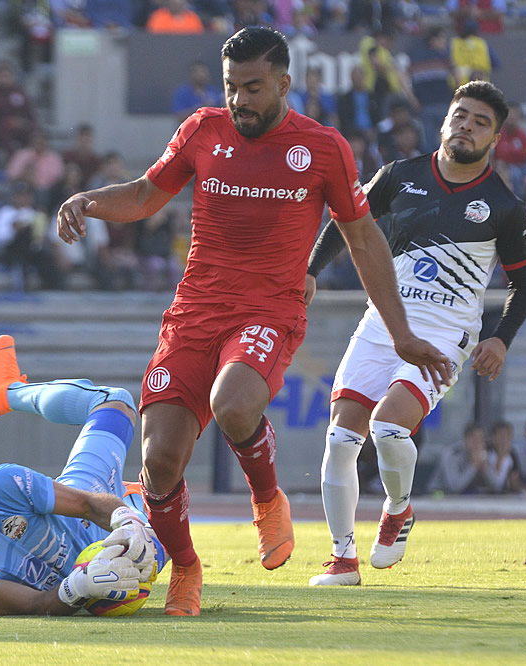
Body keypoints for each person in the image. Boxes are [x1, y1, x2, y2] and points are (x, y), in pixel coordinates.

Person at [55, 27, 450, 615]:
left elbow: (364, 242)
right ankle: (185, 569)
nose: (240, 99)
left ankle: (268, 499)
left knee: (233, 404)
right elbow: (143, 195)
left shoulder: (322, 149)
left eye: (254, 87)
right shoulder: (201, 130)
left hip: (270, 309)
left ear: (284, 84)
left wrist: (401, 335)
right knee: (159, 460)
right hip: (193, 313)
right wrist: (90, 200)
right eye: (232, 87)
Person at [306, 80, 526, 587]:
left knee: (389, 428)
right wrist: (311, 270)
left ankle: (399, 508)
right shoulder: (399, 176)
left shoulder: (503, 206)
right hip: (381, 322)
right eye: (461, 115)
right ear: (445, 121)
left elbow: (523, 282)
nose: (466, 127)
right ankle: (343, 561)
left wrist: (500, 338)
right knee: (342, 438)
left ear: (494, 139)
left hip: (447, 331)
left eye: (480, 123)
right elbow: (347, 219)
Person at [0, 334, 167, 616]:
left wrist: (124, 521)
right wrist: (79, 587)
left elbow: (85, 504)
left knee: (116, 402)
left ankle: (8, 391)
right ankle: (133, 499)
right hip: (81, 582)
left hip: (81, 517)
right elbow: (37, 604)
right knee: (164, 534)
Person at [171, 61, 224, 125]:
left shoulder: (215, 91)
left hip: (211, 129)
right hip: (190, 130)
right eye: (197, 72)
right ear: (191, 75)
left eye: (204, 72)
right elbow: (179, 117)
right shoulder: (182, 93)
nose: (202, 75)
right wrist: (200, 108)